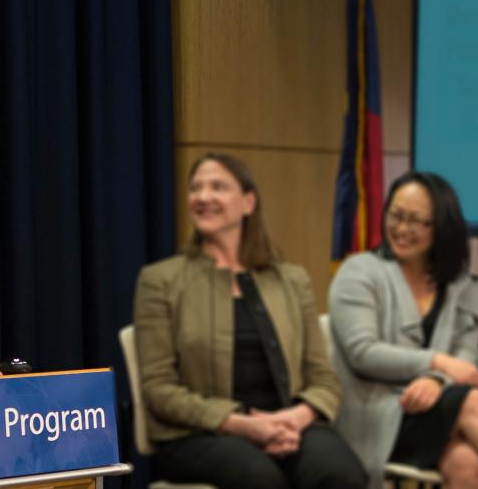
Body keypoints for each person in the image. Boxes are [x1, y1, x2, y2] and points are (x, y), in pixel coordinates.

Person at [132, 153, 368, 488]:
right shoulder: (160, 280)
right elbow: (159, 390)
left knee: (342, 474)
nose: (203, 197)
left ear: (248, 202)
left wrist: (295, 419)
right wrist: (240, 424)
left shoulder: (290, 280)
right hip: (200, 433)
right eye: (196, 188)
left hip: (287, 421)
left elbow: (324, 380)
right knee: (261, 480)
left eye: (217, 187)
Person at [329, 172, 478, 489]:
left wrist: (437, 380)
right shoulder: (359, 272)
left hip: (434, 410)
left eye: (416, 221)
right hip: (378, 416)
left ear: (441, 227)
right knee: (472, 402)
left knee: (469, 464)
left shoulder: (462, 285)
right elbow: (363, 352)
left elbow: (468, 354)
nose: (402, 229)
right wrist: (437, 363)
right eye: (395, 216)